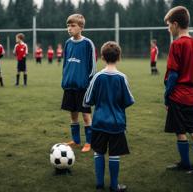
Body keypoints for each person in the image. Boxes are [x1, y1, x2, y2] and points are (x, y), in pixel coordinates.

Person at [164, 6, 193, 177]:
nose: (169, 29)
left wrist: (167, 96)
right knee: (188, 128)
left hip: (178, 94)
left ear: (176, 24)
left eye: (169, 25)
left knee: (184, 130)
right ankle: (186, 163)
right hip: (192, 95)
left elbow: (173, 74)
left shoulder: (177, 45)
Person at [83, 41, 134, 192]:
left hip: (98, 123)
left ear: (103, 57)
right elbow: (128, 101)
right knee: (114, 154)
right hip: (117, 124)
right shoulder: (122, 77)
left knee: (99, 152)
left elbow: (87, 100)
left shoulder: (97, 77)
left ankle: (99, 185)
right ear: (119, 57)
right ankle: (114, 186)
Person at [61, 14, 96, 152]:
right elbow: (65, 64)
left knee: (86, 115)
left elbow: (92, 66)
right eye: (68, 26)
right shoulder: (67, 43)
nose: (69, 28)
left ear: (81, 27)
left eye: (73, 25)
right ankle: (75, 140)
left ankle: (89, 142)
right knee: (73, 114)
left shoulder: (88, 43)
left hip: (83, 86)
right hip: (69, 85)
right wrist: (65, 79)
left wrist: (89, 83)